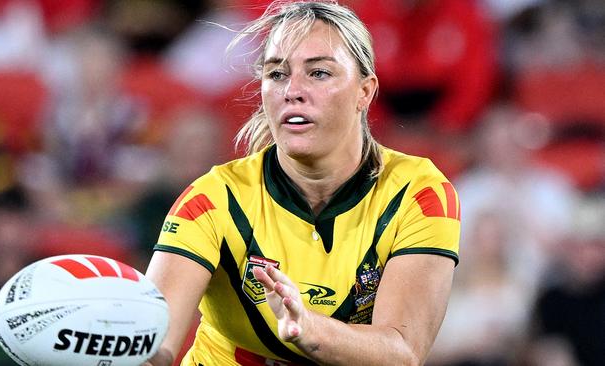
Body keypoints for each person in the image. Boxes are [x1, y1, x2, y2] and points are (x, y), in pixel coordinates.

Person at [145, 1, 460, 365]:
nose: (292, 90)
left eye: (319, 73)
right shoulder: (212, 201)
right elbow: (155, 346)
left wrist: (309, 329)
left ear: (365, 91)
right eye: (277, 74)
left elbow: (402, 352)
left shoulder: (418, 195)